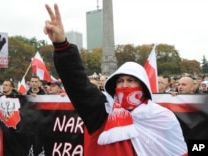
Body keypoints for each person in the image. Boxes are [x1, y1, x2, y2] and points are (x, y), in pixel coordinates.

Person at [44, 4, 187, 155]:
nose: (124, 85)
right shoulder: (102, 110)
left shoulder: (163, 118)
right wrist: (62, 45)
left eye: (131, 80)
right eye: (120, 81)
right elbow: (77, 83)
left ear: (143, 85)